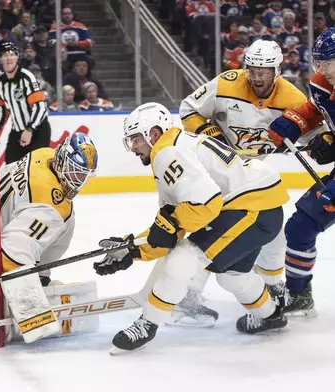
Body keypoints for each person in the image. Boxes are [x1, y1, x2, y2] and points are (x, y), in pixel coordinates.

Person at [95, 102, 290, 352]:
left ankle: (146, 324)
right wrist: (133, 249)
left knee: (183, 259)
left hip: (251, 209)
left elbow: (203, 205)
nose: (132, 148)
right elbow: (171, 225)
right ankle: (271, 316)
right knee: (232, 276)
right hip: (262, 207)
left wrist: (169, 225)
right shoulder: (176, 146)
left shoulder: (167, 153)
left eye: (135, 140)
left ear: (152, 134)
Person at [176, 39, 307, 325]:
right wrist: (209, 131)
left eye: (264, 71)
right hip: (217, 169)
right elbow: (188, 108)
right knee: (210, 229)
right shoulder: (227, 83)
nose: (257, 77)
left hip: (253, 174)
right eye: (252, 70)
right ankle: (187, 296)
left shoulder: (294, 98)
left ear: (277, 69)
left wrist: (304, 139)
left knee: (273, 229)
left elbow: (312, 132)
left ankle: (272, 287)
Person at [0, 132, 98, 343]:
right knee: (64, 219)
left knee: (64, 218)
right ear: (62, 160)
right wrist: (33, 315)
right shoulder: (50, 206)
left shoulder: (43, 155)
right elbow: (12, 255)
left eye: (83, 175)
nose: (78, 181)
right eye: (74, 172)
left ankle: (39, 277)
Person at [265, 27, 335, 317]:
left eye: (327, 62)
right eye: (318, 61)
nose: (320, 69)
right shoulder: (322, 81)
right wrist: (295, 121)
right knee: (300, 227)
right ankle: (299, 294)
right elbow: (315, 109)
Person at [0, 40, 51, 164]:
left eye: (11, 54)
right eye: (4, 55)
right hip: (17, 131)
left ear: (17, 56)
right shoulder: (0, 82)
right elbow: (2, 110)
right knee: (11, 168)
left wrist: (29, 129)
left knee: (37, 169)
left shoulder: (27, 77)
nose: (8, 58)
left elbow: (40, 107)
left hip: (38, 130)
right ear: (0, 59)